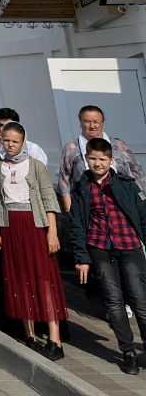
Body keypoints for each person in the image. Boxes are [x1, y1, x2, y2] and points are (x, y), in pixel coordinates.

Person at [0, 121, 66, 359]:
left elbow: (49, 200)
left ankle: (55, 339)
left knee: (43, 278)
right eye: (6, 140)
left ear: (23, 142)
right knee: (19, 278)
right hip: (9, 227)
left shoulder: (36, 166)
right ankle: (29, 334)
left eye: (15, 141)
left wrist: (52, 232)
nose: (10, 145)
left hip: (35, 225)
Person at [70, 136, 146, 375]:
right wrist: (82, 258)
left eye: (102, 159)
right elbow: (77, 225)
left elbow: (142, 215)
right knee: (114, 302)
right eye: (92, 158)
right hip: (100, 248)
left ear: (111, 160)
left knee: (140, 300)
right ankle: (128, 352)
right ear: (86, 159)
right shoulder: (82, 188)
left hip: (129, 245)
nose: (97, 163)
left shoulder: (126, 183)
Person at [57, 104, 146, 211]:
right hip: (89, 205)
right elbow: (64, 182)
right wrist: (70, 211)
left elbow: (137, 173)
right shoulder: (72, 148)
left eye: (96, 121)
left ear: (103, 123)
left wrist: (142, 201)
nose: (92, 125)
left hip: (125, 201)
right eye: (87, 121)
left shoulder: (118, 145)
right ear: (80, 123)